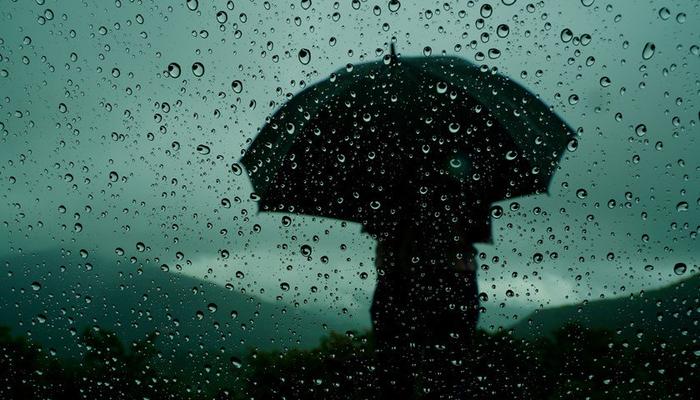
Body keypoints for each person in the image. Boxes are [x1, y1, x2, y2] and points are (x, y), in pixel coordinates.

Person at [366, 176, 489, 399]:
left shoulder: (384, 174)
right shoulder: (469, 171)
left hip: (407, 277)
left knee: (398, 373)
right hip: (450, 277)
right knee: (447, 373)